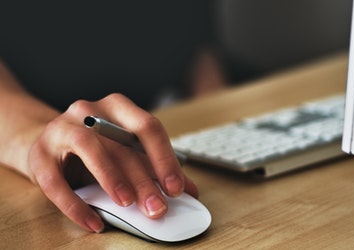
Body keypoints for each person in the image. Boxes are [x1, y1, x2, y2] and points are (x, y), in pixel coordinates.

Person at [0, 1, 224, 233]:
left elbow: (201, 51)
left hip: (148, 136)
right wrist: (40, 139)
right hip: (47, 125)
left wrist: (218, 132)